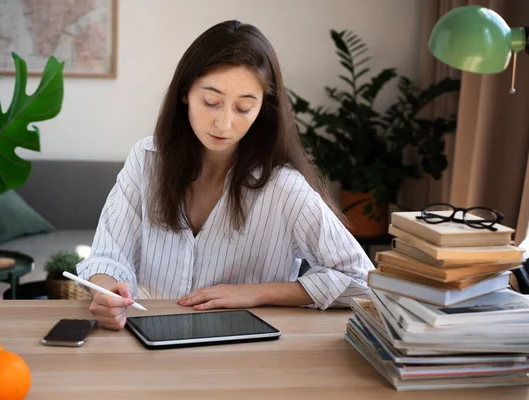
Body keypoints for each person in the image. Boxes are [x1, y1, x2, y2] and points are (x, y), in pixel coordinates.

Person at [77, 20, 374, 330]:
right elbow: (108, 256)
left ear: (263, 108)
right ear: (185, 93)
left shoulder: (283, 187)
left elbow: (361, 279)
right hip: (146, 338)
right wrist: (107, 291)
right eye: (211, 102)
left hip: (241, 354)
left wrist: (256, 294)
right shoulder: (147, 160)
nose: (224, 123)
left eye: (244, 108)